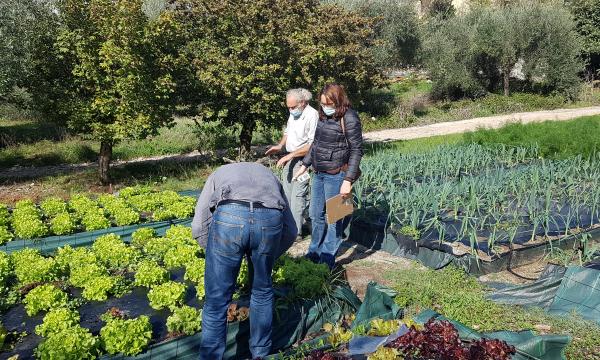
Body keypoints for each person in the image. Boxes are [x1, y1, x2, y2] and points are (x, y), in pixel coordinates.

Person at [191, 162, 297, 360]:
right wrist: (268, 256)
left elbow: (199, 226)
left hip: (229, 216)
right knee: (262, 292)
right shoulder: (269, 175)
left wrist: (215, 253)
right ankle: (260, 354)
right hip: (269, 219)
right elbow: (291, 230)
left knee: (217, 301)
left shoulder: (218, 173)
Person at [293, 83, 363, 269]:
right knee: (316, 215)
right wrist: (304, 165)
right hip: (320, 173)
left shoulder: (350, 118)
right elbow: (316, 144)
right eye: (323, 103)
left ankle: (327, 259)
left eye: (329, 103)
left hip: (338, 174)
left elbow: (357, 151)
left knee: (335, 219)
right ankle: (314, 252)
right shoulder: (323, 116)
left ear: (339, 101)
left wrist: (348, 181)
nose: (325, 106)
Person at [265, 88, 319, 239]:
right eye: (288, 107)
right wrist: (280, 146)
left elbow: (312, 144)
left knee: (298, 196)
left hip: (304, 161)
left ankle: (296, 233)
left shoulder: (312, 115)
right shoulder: (294, 112)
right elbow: (287, 132)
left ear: (302, 103)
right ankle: (289, 226)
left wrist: (291, 156)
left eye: (293, 107)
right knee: (286, 194)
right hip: (290, 157)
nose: (290, 110)